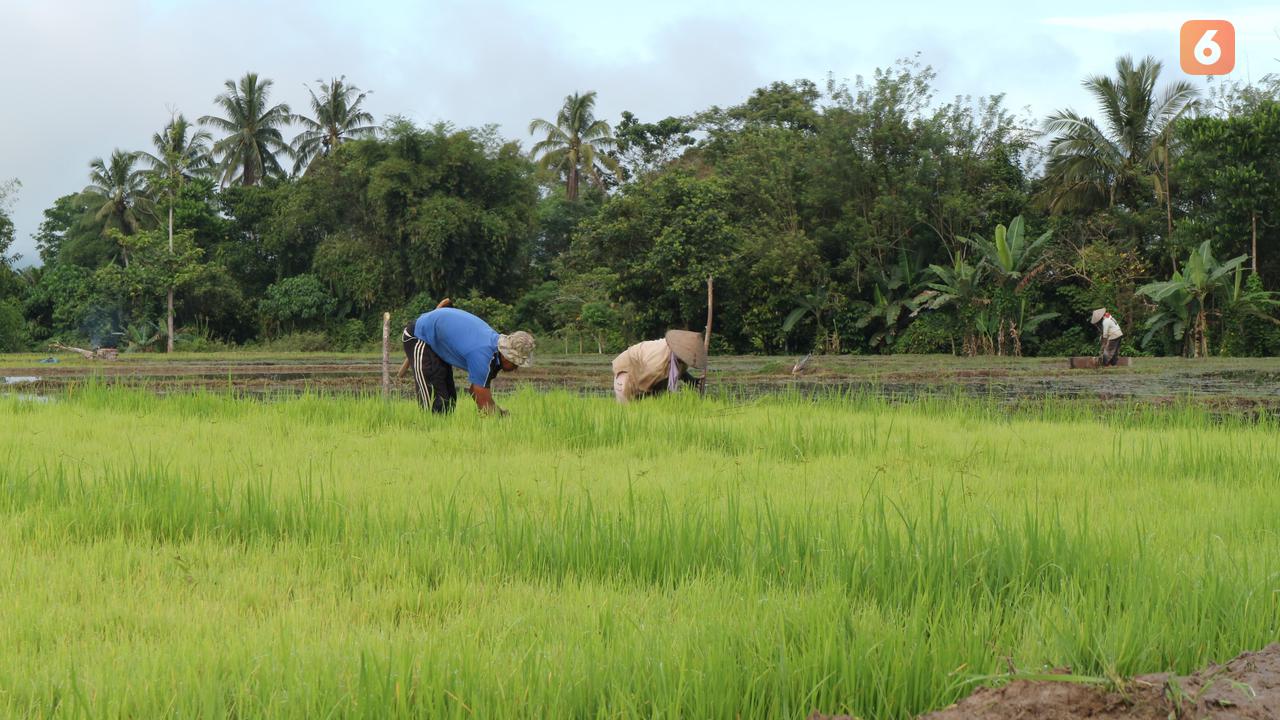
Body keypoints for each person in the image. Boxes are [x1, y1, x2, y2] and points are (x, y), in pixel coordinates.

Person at [402, 300, 534, 414]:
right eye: (516, 363)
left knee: (449, 399)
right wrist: (500, 417)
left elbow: (474, 391)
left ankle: (441, 436)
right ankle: (428, 435)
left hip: (438, 337)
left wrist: (497, 412)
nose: (516, 367)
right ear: (507, 356)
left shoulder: (495, 356)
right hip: (420, 336)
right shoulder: (484, 356)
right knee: (435, 401)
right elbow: (482, 401)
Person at [612, 330, 706, 403]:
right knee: (627, 412)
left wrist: (691, 380)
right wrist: (670, 399)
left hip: (647, 371)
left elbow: (677, 372)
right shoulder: (658, 363)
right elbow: (645, 387)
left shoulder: (681, 359)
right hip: (628, 371)